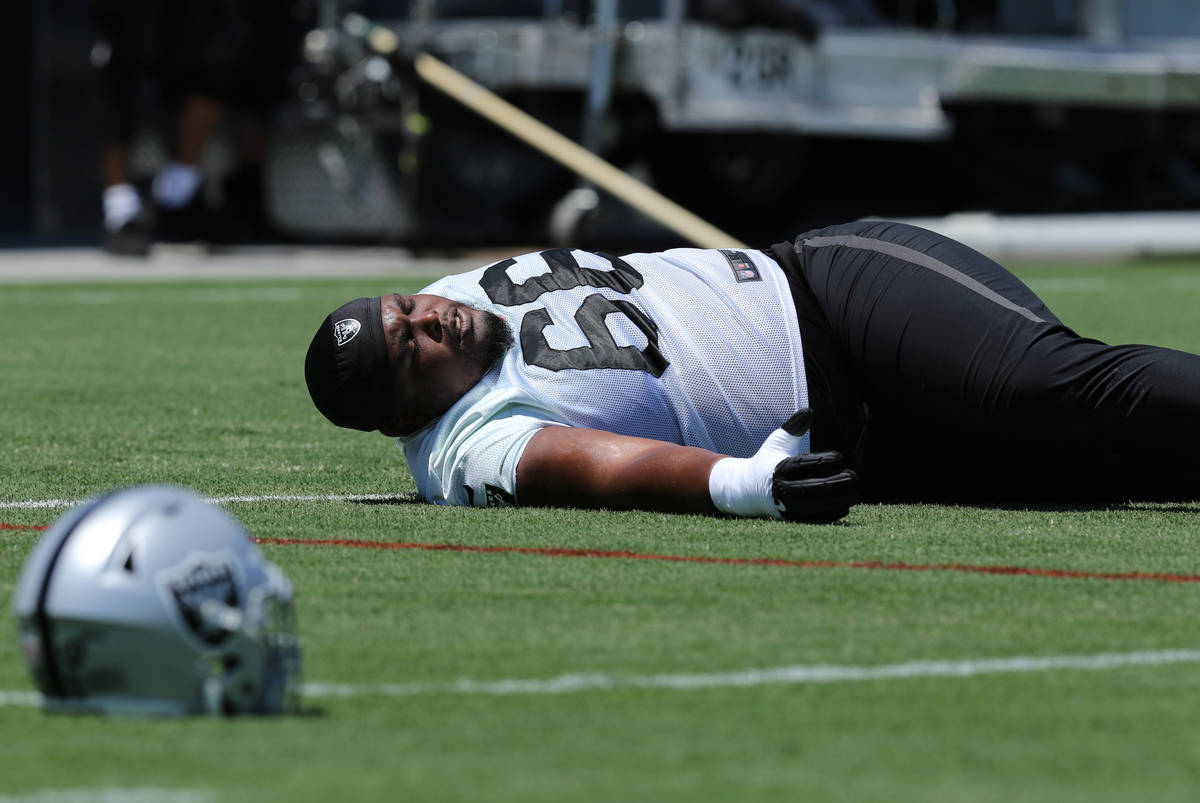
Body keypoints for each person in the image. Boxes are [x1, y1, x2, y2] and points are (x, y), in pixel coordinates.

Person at [304, 220, 1200, 522]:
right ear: (400, 416)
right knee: (1095, 471)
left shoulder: (441, 302)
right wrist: (740, 484)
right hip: (851, 448)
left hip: (832, 289)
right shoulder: (461, 447)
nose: (430, 318)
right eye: (409, 347)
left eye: (406, 307)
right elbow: (593, 469)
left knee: (1046, 388)